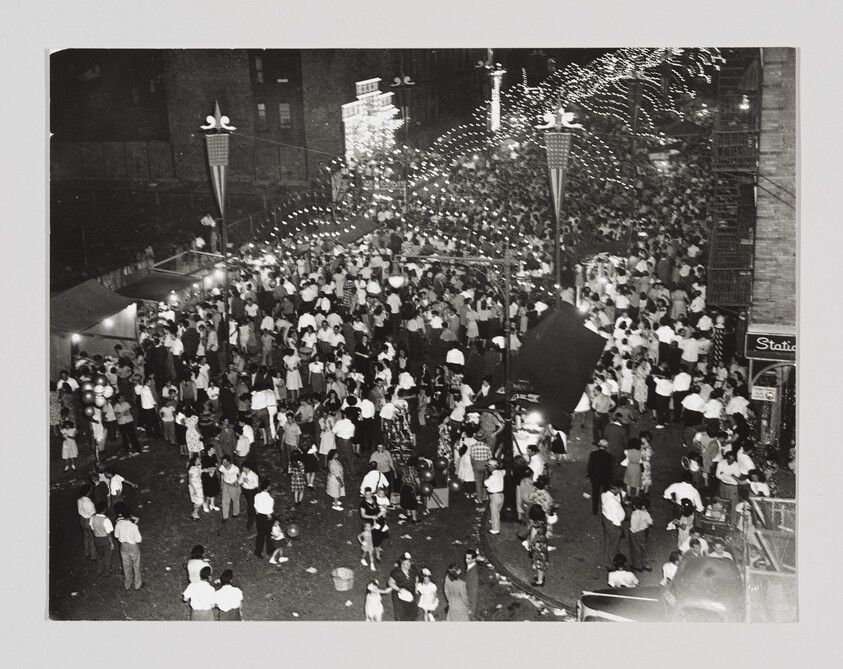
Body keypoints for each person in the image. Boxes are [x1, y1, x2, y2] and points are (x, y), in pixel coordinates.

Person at [113, 502, 143, 591]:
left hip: (123, 546)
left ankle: (127, 584)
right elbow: (138, 540)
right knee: (136, 565)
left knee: (126, 565)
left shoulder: (118, 524)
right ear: (130, 516)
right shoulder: (133, 527)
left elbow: (116, 535)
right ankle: (137, 584)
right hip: (133, 546)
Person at [388, 552, 420, 621]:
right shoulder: (396, 572)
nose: (409, 564)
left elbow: (416, 578)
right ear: (402, 564)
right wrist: (399, 589)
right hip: (400, 595)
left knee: (411, 613)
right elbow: (390, 583)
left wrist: (416, 588)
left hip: (411, 592)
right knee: (401, 615)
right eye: (407, 563)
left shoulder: (413, 569)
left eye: (409, 562)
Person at [601, 482, 625, 570]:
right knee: (614, 544)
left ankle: (607, 559)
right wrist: (620, 528)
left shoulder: (604, 495)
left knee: (608, 540)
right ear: (614, 489)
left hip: (606, 520)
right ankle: (611, 564)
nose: (620, 490)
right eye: (619, 489)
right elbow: (615, 518)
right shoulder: (613, 502)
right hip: (613, 523)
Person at [586, 440, 614, 515]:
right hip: (605, 478)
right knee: (606, 494)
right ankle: (605, 509)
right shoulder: (609, 456)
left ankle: (595, 511)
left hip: (595, 477)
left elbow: (590, 465)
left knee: (595, 493)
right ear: (606, 447)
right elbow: (610, 468)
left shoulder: (593, 454)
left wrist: (588, 474)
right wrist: (611, 478)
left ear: (599, 445)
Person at [89, 501, 114, 577]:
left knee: (99, 555)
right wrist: (111, 543)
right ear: (104, 510)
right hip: (105, 539)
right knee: (107, 556)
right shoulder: (106, 520)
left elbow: (92, 528)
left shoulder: (92, 518)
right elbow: (108, 534)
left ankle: (99, 571)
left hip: (97, 538)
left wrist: (96, 535)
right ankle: (106, 572)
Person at [628, 497, 653, 572]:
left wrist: (631, 532)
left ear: (634, 506)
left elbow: (633, 527)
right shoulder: (645, 512)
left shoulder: (634, 515)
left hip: (635, 534)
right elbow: (650, 523)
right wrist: (645, 525)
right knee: (643, 547)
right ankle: (646, 564)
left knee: (636, 549)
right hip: (643, 532)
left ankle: (638, 565)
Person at [527, 503, 549, 587]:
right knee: (542, 561)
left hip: (537, 545)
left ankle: (540, 581)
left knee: (539, 562)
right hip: (543, 543)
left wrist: (530, 545)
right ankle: (541, 576)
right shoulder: (543, 522)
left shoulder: (535, 526)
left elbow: (532, 537)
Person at [253, 478, 275, 559]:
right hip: (266, 518)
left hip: (259, 517)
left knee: (260, 535)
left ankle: (258, 551)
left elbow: (256, 509)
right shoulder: (270, 499)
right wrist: (272, 520)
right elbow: (269, 513)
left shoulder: (257, 496)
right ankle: (269, 550)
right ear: (268, 487)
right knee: (269, 534)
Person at [484, 459, 505, 535]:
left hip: (495, 496)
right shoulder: (500, 473)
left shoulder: (492, 477)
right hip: (501, 495)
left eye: (489, 466)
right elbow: (504, 471)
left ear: (492, 467)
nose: (488, 468)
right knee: (497, 511)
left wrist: (486, 474)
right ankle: (494, 521)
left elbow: (485, 484)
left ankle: (495, 529)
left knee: (494, 512)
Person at [218, 455, 241, 522]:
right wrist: (222, 484)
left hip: (233, 485)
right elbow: (222, 475)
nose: (223, 464)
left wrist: (235, 482)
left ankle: (236, 513)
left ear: (229, 462)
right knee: (225, 500)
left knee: (235, 499)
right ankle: (225, 517)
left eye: (225, 462)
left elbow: (240, 476)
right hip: (226, 484)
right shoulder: (222, 467)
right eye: (222, 462)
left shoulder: (235, 468)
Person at [77, 484, 96, 561]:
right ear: (88, 492)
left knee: (86, 536)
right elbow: (93, 514)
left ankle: (86, 552)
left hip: (82, 519)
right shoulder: (89, 503)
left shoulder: (79, 500)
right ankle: (93, 556)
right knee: (92, 538)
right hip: (89, 521)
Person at [201, 442, 221, 512]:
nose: (214, 450)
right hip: (207, 477)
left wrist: (213, 469)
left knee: (214, 490)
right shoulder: (204, 459)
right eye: (212, 449)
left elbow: (216, 465)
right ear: (208, 450)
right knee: (209, 492)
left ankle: (212, 504)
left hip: (213, 475)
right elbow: (204, 470)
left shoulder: (214, 456)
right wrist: (211, 469)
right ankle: (205, 504)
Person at [187, 453, 204, 520]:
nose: (199, 460)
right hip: (194, 486)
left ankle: (195, 514)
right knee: (199, 501)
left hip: (199, 485)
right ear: (195, 461)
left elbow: (200, 473)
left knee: (198, 500)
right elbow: (190, 479)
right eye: (198, 459)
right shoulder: (192, 469)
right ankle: (194, 513)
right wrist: (193, 489)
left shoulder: (199, 467)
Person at [464, 549, 479, 620]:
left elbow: (473, 594)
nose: (466, 560)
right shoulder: (471, 567)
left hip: (469, 602)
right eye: (466, 558)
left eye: (469, 558)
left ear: (474, 559)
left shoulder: (473, 575)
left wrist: (471, 609)